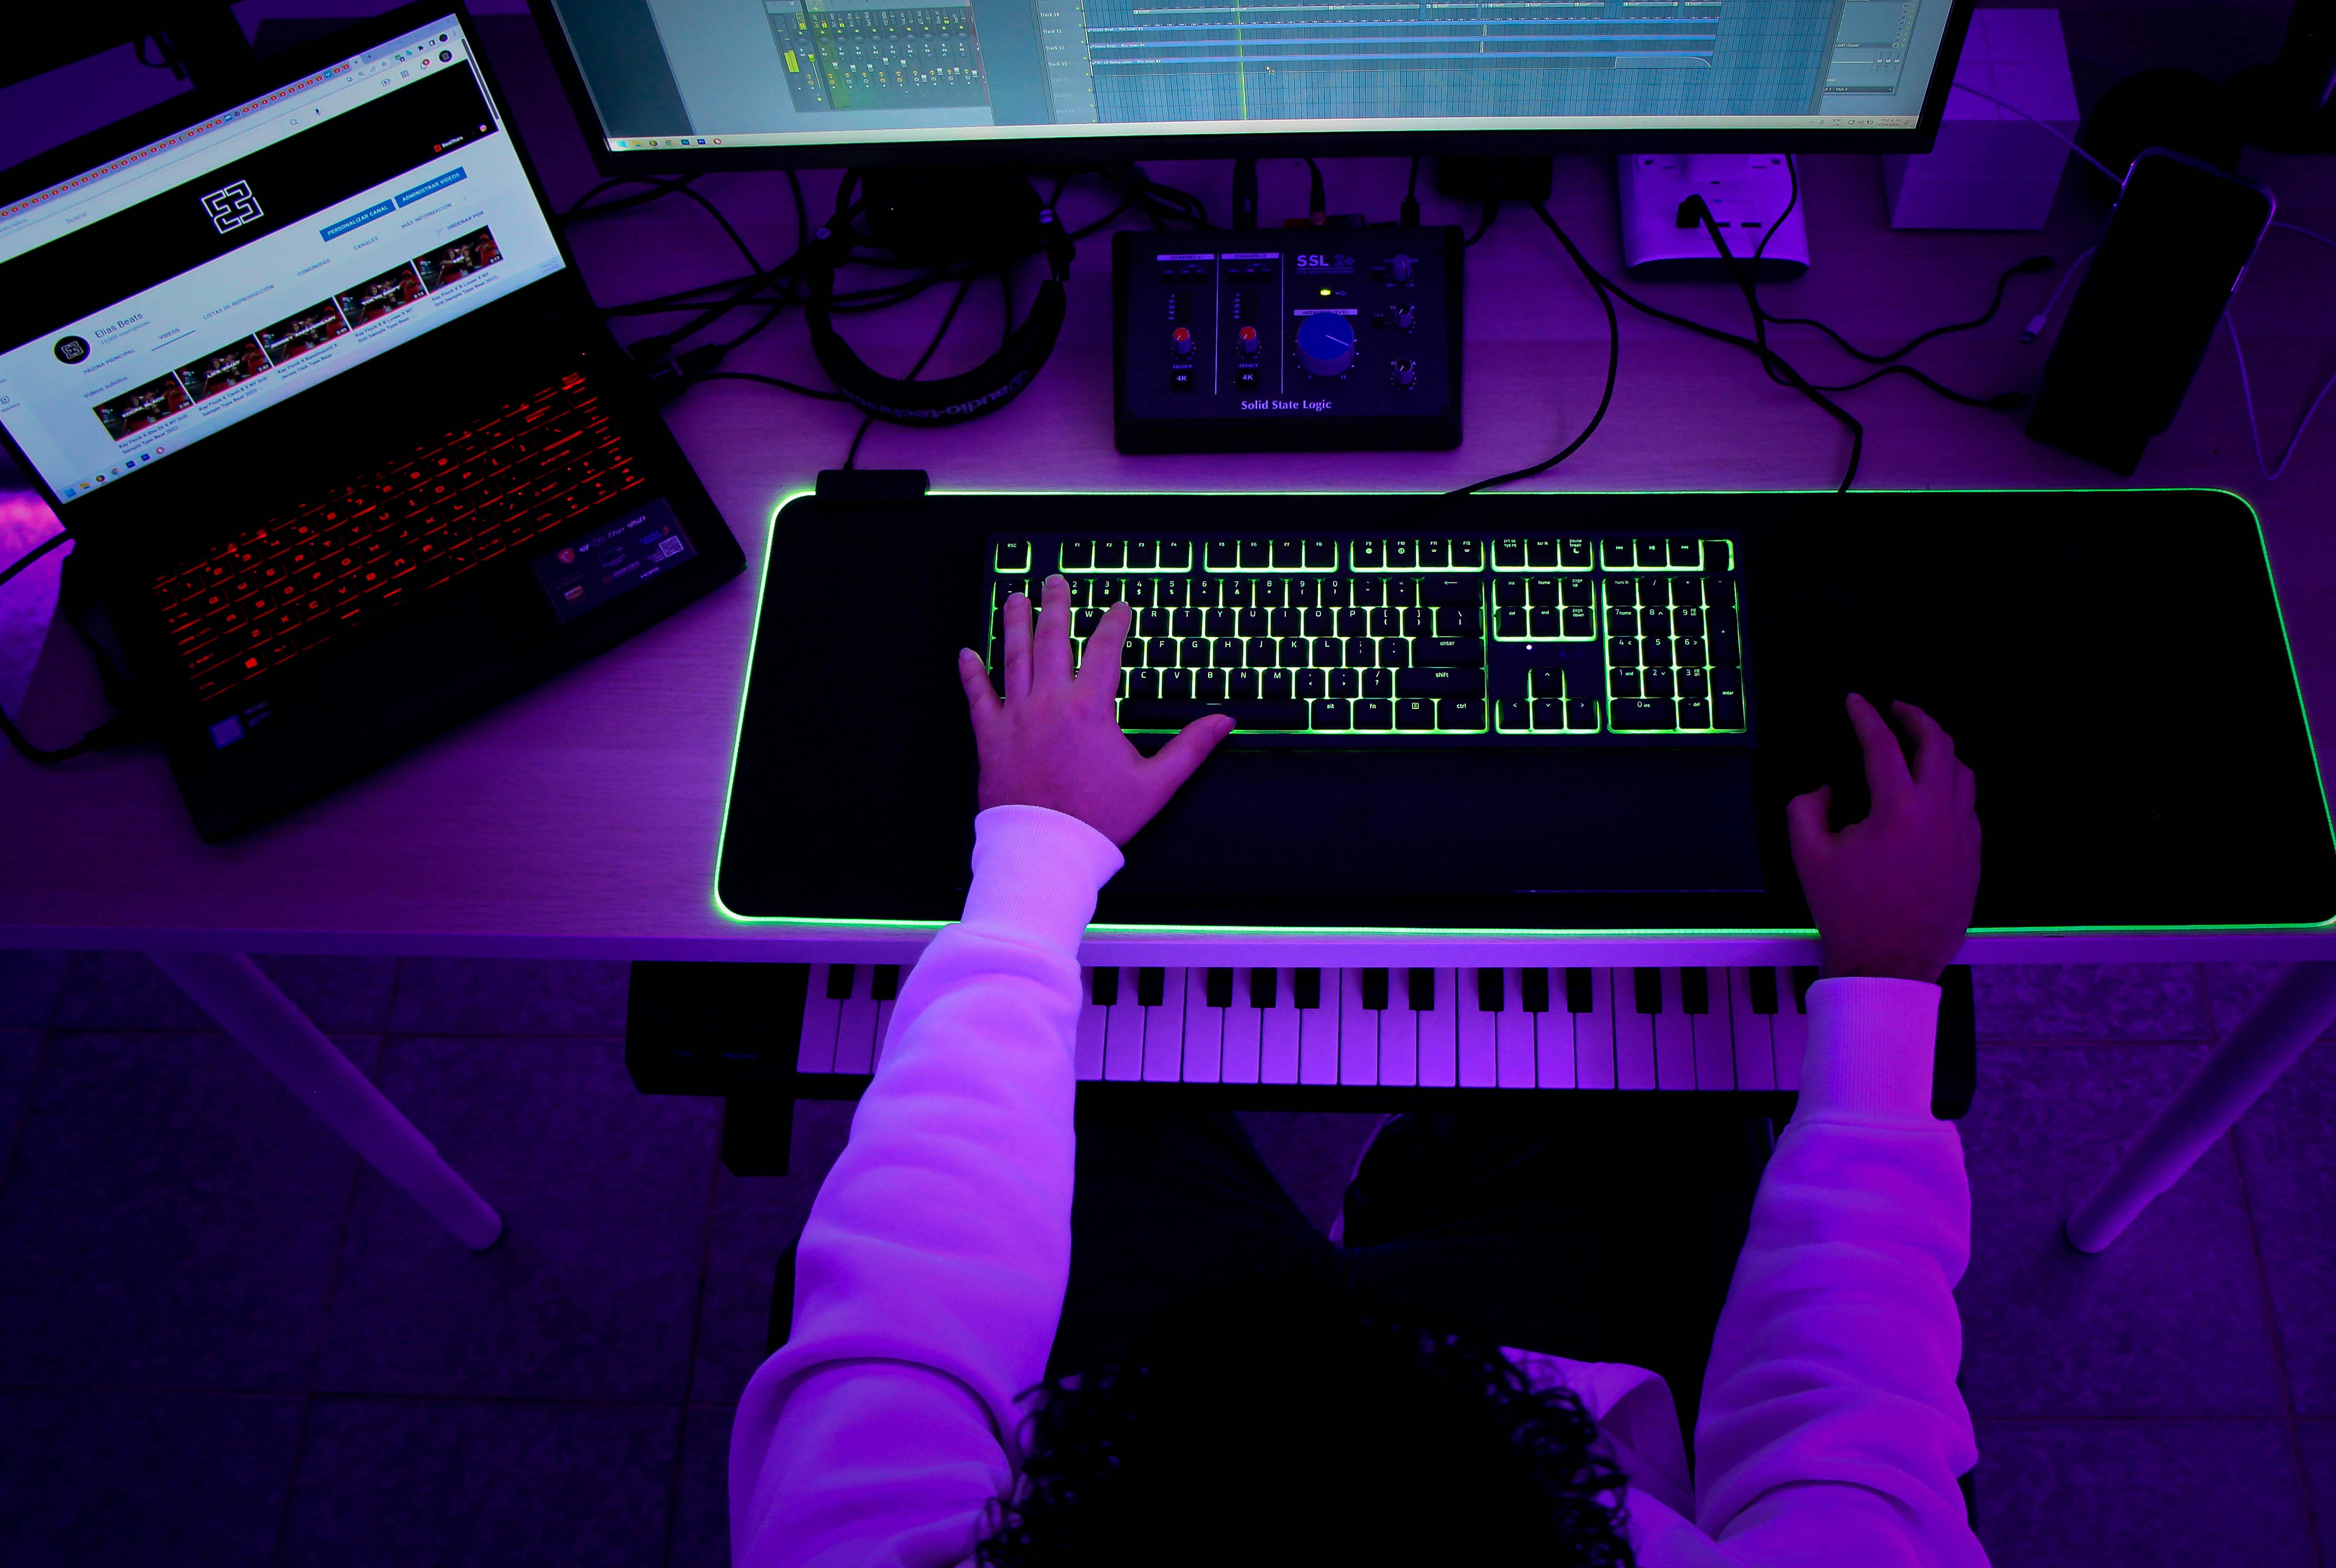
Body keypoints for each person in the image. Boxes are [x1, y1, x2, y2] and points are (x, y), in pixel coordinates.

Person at [729, 572, 1986, 1567]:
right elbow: (1855, 1434)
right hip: (1518, 1375)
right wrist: (1886, 979)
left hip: (1142, 1368)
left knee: (1103, 1098)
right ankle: (1408, 1198)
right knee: (1668, 1116)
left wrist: (1038, 852)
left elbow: (909, 1284)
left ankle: (1377, 1211)